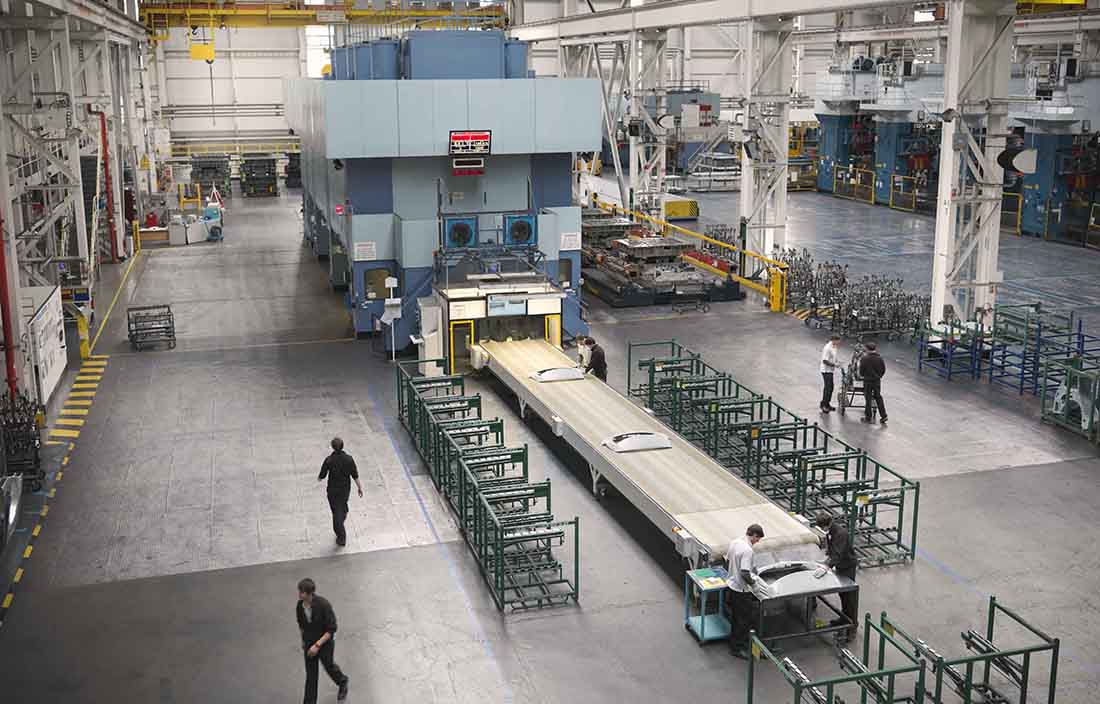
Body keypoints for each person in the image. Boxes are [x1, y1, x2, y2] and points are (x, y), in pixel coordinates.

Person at [296, 578, 350, 703]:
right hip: (309, 643)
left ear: (309, 593)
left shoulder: (323, 605)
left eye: (301, 592)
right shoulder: (300, 606)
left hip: (324, 643)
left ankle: (342, 681)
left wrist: (317, 645)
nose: (299, 594)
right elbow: (301, 625)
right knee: (311, 676)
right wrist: (303, 641)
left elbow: (332, 629)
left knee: (328, 665)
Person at [814, 514, 858, 642]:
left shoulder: (840, 534)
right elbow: (832, 549)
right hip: (839, 565)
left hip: (847, 566)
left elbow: (838, 554)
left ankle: (853, 626)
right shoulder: (831, 532)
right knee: (842, 594)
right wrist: (826, 558)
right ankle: (844, 618)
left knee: (850, 596)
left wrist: (826, 566)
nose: (824, 530)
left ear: (829, 523)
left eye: (824, 527)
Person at [726, 523, 765, 659]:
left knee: (736, 618)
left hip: (732, 586)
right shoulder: (748, 550)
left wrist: (754, 569)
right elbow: (744, 573)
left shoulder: (735, 542)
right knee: (744, 620)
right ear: (753, 535)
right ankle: (738, 648)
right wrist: (754, 585)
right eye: (757, 539)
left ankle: (734, 643)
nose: (757, 542)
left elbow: (729, 560)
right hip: (742, 590)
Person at [319, 437, 364, 546]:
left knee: (335, 513)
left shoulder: (329, 460)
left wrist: (320, 477)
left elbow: (323, 474)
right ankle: (343, 514)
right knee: (342, 507)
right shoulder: (349, 459)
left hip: (332, 491)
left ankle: (341, 535)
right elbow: (355, 475)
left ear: (332, 447)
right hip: (344, 490)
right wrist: (359, 487)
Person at [857, 342, 888, 423]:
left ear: (867, 349)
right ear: (875, 349)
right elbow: (883, 369)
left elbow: (861, 371)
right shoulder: (880, 358)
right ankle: (884, 415)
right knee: (878, 397)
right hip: (877, 381)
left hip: (868, 381)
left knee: (868, 399)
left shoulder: (864, 359)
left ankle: (868, 417)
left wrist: (863, 376)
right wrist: (879, 376)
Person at [820, 335, 842, 412]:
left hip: (830, 370)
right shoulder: (827, 348)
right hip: (826, 371)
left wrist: (837, 361)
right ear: (834, 340)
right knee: (828, 388)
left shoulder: (834, 346)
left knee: (831, 387)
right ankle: (823, 405)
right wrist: (835, 365)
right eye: (838, 341)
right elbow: (825, 361)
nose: (839, 342)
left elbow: (833, 357)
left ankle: (827, 403)